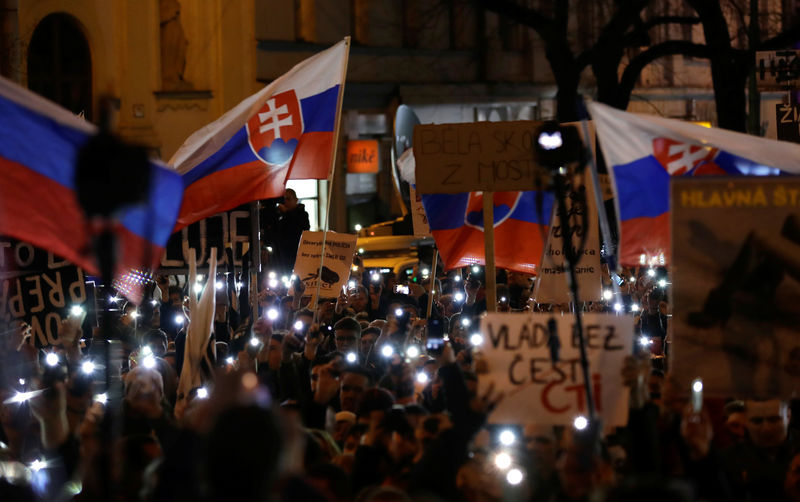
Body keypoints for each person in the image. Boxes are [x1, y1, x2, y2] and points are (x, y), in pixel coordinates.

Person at [274, 188, 310, 274]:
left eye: (288, 199)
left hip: (296, 255)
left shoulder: (302, 215)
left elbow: (301, 228)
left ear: (296, 200)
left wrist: (286, 213)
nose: (286, 202)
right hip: (281, 256)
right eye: (284, 200)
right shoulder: (280, 216)